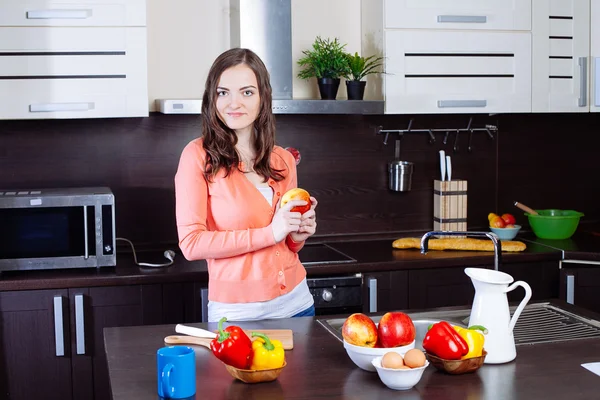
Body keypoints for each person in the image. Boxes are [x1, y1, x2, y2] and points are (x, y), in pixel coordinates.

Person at [175, 48, 318, 322]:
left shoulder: (283, 160)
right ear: (212, 98)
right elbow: (191, 244)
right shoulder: (197, 157)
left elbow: (286, 244)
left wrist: (297, 234)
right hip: (237, 315)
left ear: (263, 97)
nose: (234, 103)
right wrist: (271, 232)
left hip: (298, 305)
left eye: (247, 92)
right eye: (223, 92)